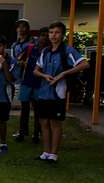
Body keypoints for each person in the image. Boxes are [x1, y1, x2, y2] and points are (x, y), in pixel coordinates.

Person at [33, 21, 89, 164]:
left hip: (58, 93)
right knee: (43, 122)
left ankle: (53, 154)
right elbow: (36, 70)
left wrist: (63, 74)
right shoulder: (45, 51)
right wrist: (44, 75)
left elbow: (84, 64)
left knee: (55, 123)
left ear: (62, 35)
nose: (53, 36)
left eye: (57, 32)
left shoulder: (67, 51)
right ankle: (45, 152)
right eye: (51, 33)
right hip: (43, 92)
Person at [10, 19, 39, 142]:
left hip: (33, 77)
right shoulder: (15, 45)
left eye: (23, 27)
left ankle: (37, 133)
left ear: (27, 28)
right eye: (19, 27)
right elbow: (13, 60)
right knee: (24, 105)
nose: (21, 29)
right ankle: (23, 131)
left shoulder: (34, 42)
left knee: (36, 106)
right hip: (20, 78)